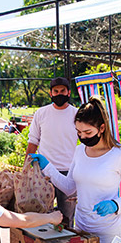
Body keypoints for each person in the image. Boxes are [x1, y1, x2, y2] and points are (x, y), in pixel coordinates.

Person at [30, 96, 121, 243]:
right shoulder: (79, 151)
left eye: (87, 132)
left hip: (109, 232)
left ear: (102, 128)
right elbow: (69, 187)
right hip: (82, 228)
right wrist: (47, 167)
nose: (82, 137)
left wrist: (116, 205)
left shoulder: (120, 154)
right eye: (79, 132)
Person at [25, 77, 78, 226]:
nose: (59, 94)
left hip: (69, 173)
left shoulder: (77, 114)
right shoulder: (41, 113)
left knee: (67, 217)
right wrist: (27, 168)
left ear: (68, 93)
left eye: (62, 91)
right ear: (50, 93)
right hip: (43, 172)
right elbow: (33, 141)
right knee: (41, 214)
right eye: (56, 91)